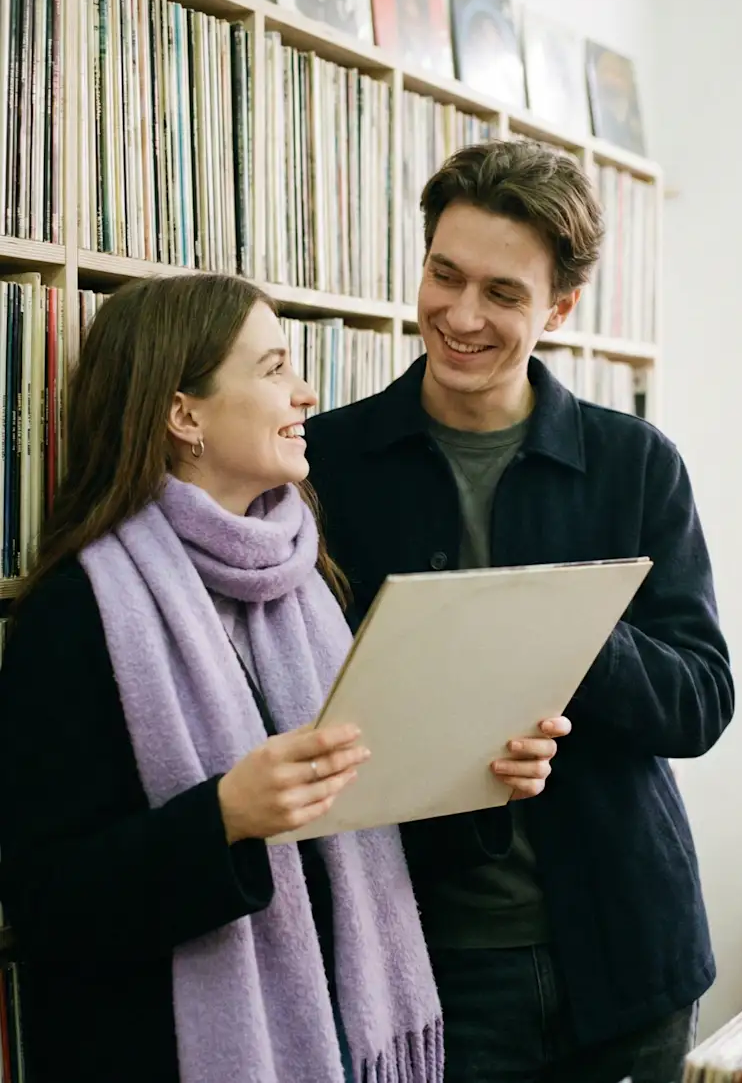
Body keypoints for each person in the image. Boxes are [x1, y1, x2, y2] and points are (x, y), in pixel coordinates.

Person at [0, 272, 566, 1083]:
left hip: (341, 1040)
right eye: (272, 370)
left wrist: (480, 776)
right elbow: (49, 904)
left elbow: (370, 832)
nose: (305, 393)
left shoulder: (312, 579)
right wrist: (223, 818)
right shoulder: (77, 611)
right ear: (182, 413)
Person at [304, 139, 735, 1083]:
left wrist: (563, 633)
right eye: (443, 275)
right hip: (423, 962)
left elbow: (703, 701)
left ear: (561, 308)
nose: (460, 316)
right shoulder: (326, 464)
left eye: (503, 294)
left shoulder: (636, 462)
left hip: (627, 956)